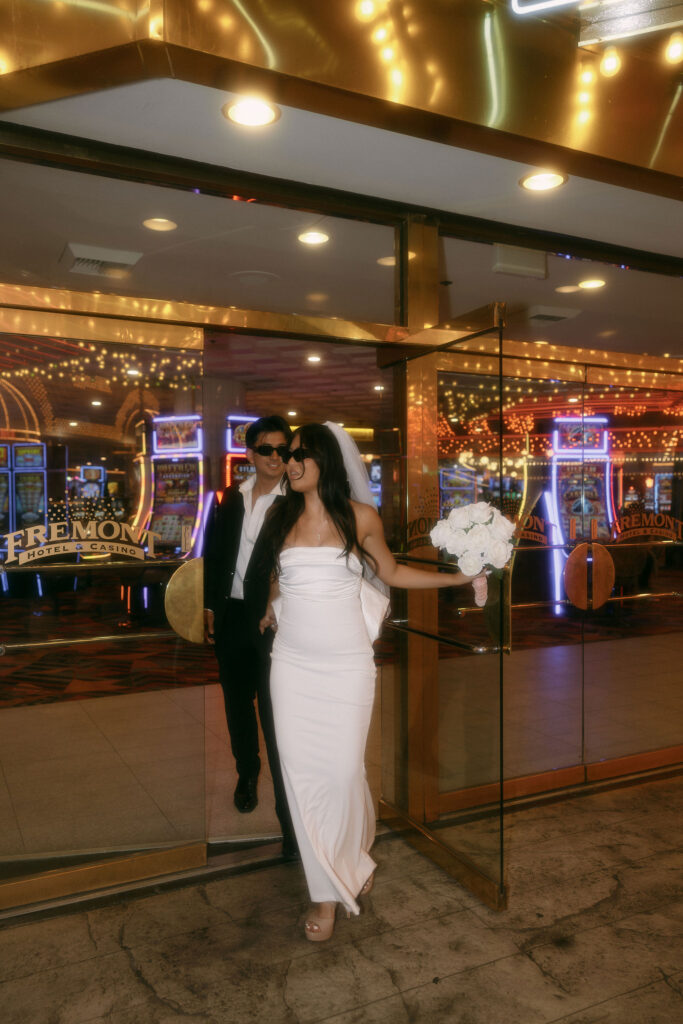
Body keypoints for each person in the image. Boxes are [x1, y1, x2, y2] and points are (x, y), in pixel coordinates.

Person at [258, 422, 484, 941]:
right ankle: (327, 891)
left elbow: (393, 573)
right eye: (287, 457)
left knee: (340, 775)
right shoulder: (280, 514)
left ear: (326, 463)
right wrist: (272, 606)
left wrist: (457, 577)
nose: (290, 465)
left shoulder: (360, 516)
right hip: (290, 667)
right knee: (302, 778)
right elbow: (278, 573)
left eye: (300, 457)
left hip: (346, 668)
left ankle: (351, 859)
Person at [204, 414, 297, 859]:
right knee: (237, 705)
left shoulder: (297, 502)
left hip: (273, 621)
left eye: (284, 450)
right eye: (268, 450)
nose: (277, 458)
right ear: (250, 453)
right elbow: (213, 555)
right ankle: (246, 772)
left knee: (277, 717)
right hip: (231, 617)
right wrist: (209, 607)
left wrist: (278, 607)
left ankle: (290, 826)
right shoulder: (228, 498)